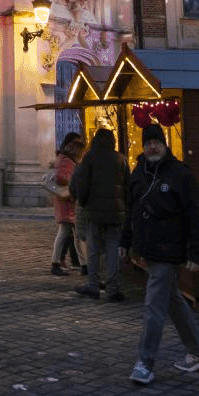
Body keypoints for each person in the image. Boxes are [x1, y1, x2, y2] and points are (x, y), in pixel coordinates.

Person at [123, 123, 199, 384]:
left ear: (164, 144)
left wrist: (197, 253)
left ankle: (145, 363)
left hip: (168, 250)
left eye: (156, 141)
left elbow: (195, 214)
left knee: (153, 306)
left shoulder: (179, 174)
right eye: (148, 142)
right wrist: (126, 240)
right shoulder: (139, 171)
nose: (152, 145)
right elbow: (132, 210)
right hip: (147, 249)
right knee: (173, 300)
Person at [69, 127, 129, 302]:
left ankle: (93, 285)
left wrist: (84, 201)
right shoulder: (121, 159)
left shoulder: (89, 158)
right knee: (112, 250)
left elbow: (80, 183)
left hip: (94, 212)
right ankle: (113, 288)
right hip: (116, 212)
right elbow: (127, 187)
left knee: (93, 249)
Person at [49, 131, 85, 276]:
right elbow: (61, 178)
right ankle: (56, 263)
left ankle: (83, 264)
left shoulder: (66, 159)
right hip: (66, 201)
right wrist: (74, 184)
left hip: (67, 201)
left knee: (73, 234)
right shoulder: (66, 161)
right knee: (66, 233)